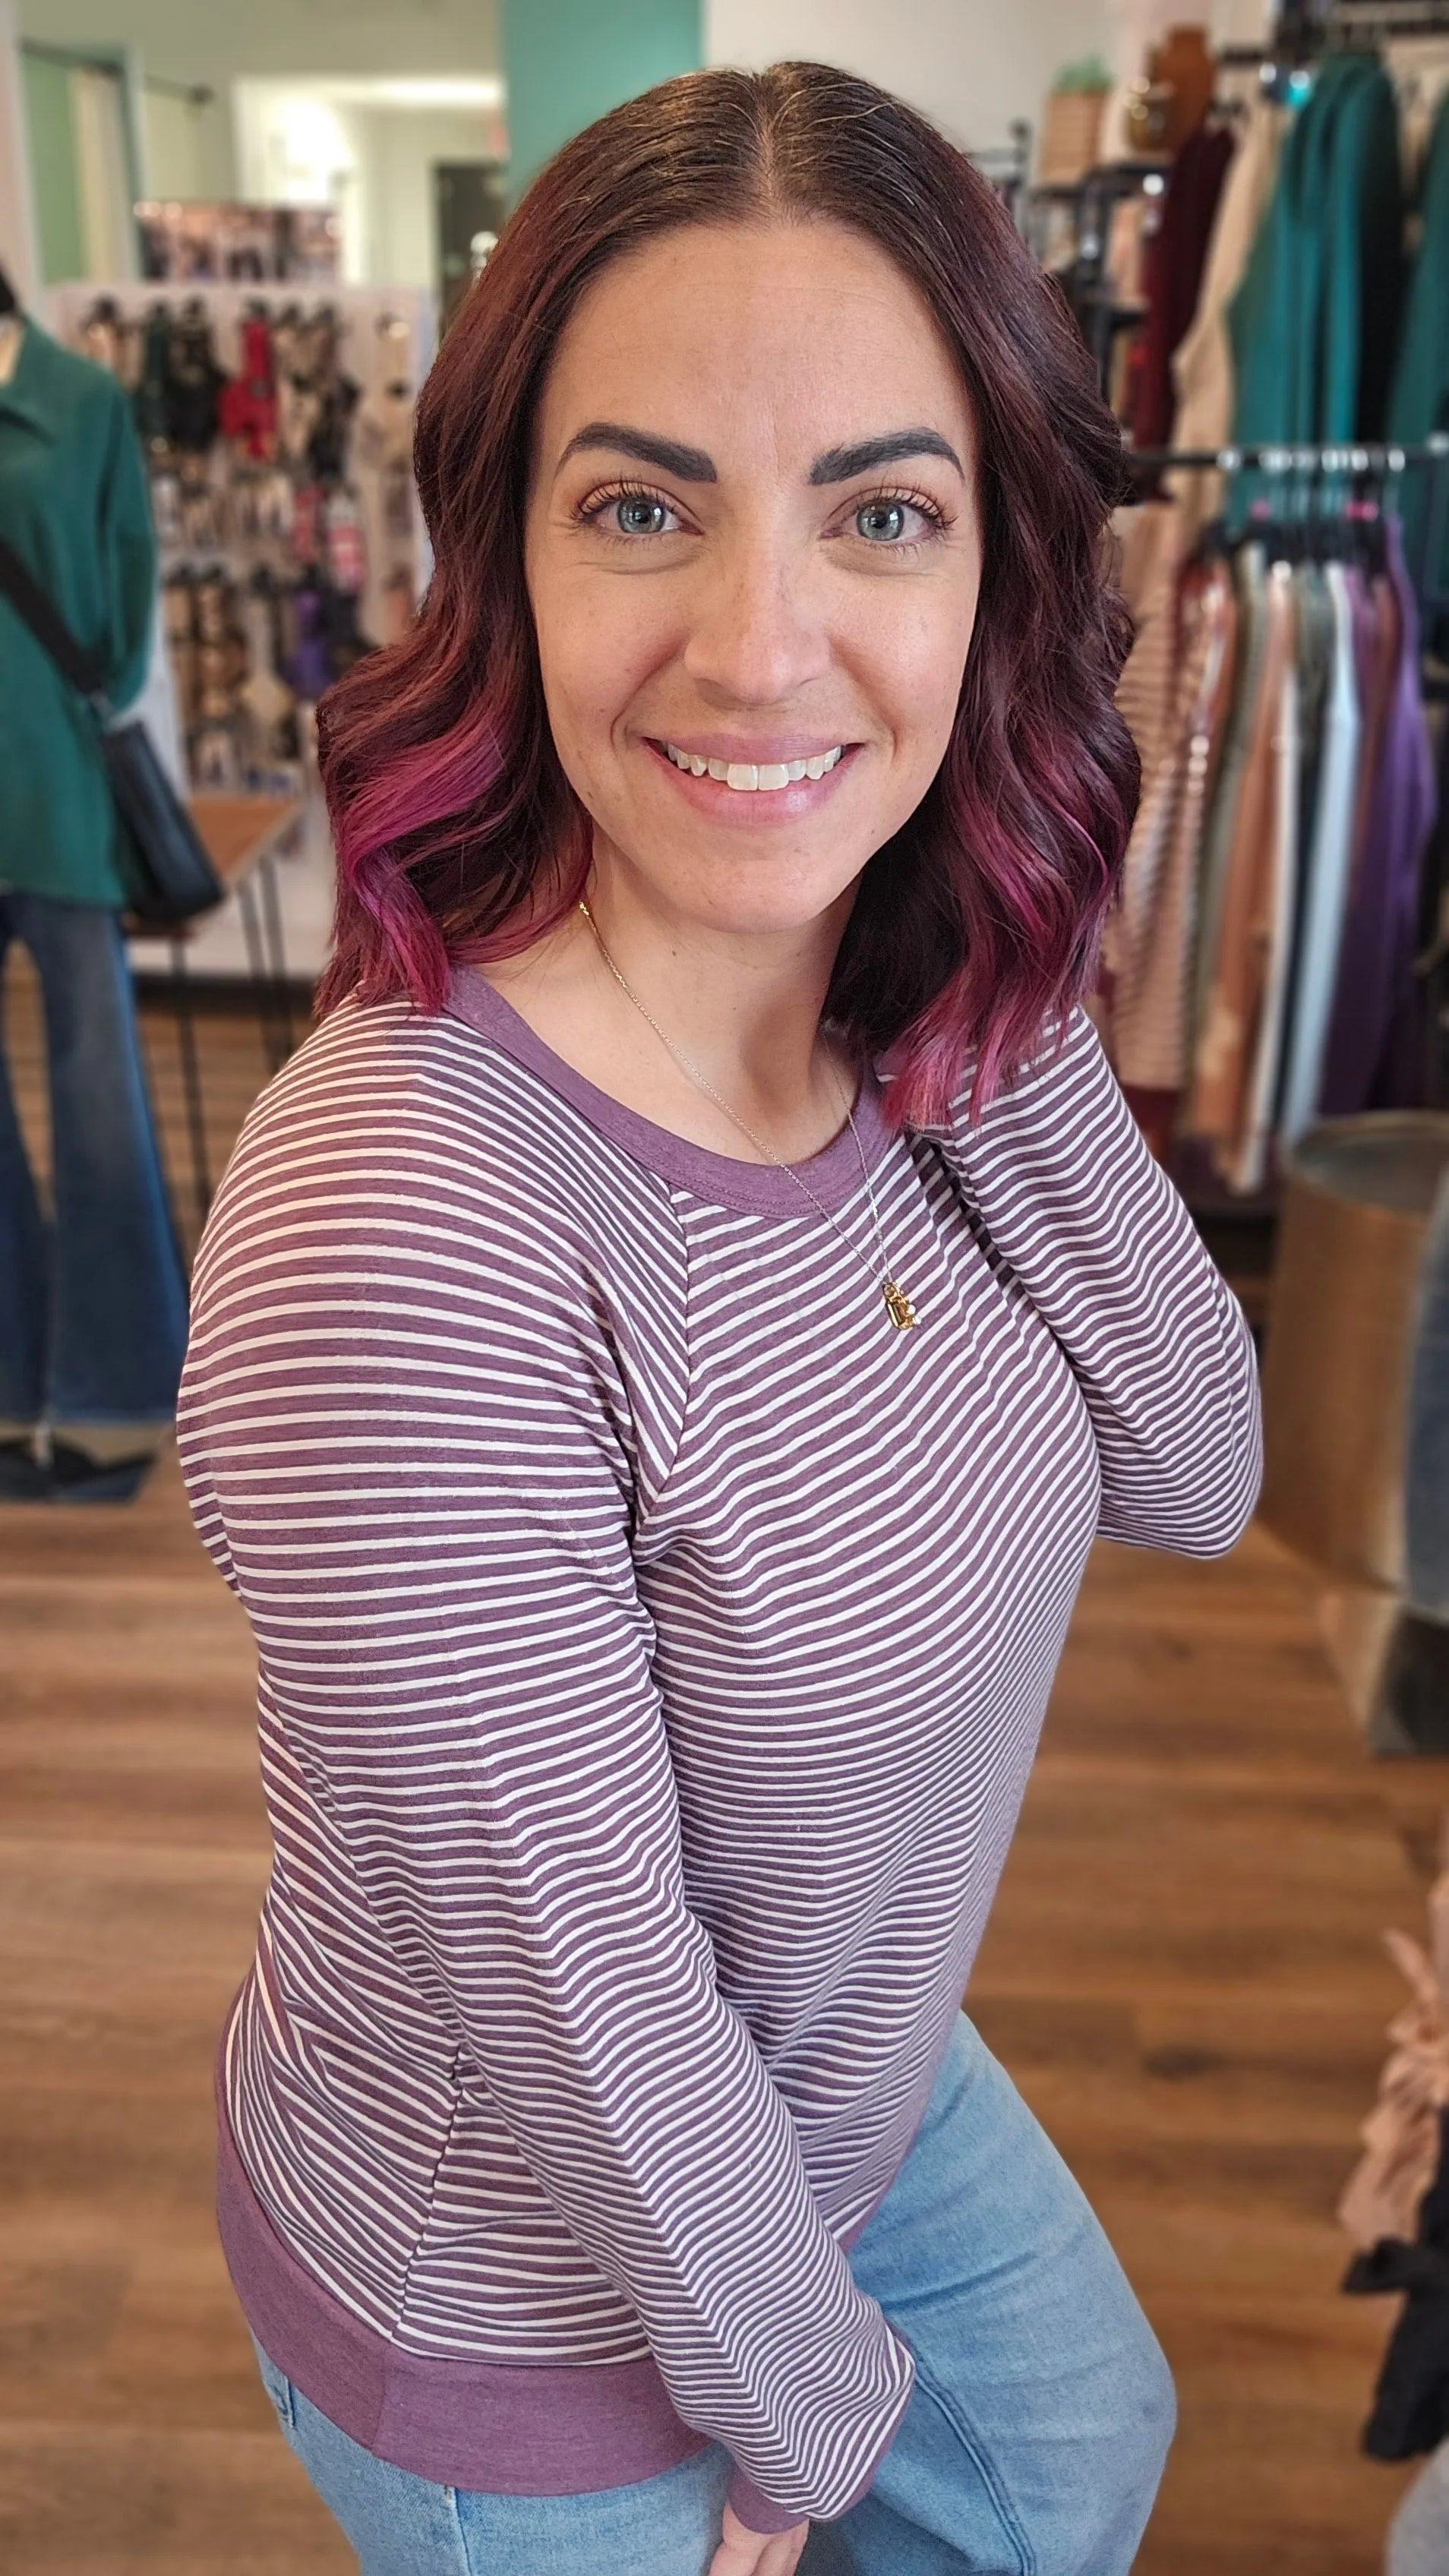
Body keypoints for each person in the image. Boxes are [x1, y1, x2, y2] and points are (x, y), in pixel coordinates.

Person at [178, 62, 1262, 2576]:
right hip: (537, 2274)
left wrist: (981, 970)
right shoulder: (411, 1233)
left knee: (1075, 2454)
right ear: (505, 554)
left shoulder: (899, 1035)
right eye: (642, 506)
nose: (761, 649)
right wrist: (793, 2419)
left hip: (837, 2071)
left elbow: (1194, 1466)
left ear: (991, 572)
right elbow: (579, 2000)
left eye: (876, 513)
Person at [0, 281, 189, 1503]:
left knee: (96, 1097)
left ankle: (115, 1390)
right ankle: (11, 1382)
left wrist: (77, 714)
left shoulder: (77, 402)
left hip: (55, 795)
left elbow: (123, 586)